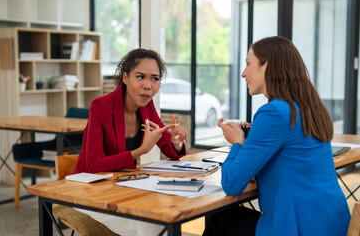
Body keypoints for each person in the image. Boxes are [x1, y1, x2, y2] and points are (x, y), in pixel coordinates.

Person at [203, 36, 350, 236]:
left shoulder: (273, 112)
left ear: (266, 65)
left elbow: (232, 184)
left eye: (248, 64)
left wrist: (238, 143)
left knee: (218, 217)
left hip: (297, 227)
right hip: (331, 221)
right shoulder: (310, 107)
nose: (243, 73)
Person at [73, 48, 188, 236]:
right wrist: (140, 150)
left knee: (159, 218)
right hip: (88, 190)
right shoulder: (100, 106)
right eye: (140, 77)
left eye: (155, 79)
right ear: (125, 78)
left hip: (123, 187)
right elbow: (94, 165)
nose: (148, 86)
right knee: (150, 224)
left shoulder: (147, 107)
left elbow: (167, 146)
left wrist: (176, 143)